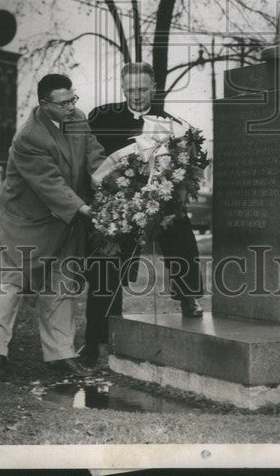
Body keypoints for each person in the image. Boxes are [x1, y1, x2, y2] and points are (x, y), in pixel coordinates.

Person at [0, 73, 105, 380]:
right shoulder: (29, 137)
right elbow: (49, 183)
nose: (70, 107)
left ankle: (60, 355)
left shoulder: (78, 119)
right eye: (63, 103)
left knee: (60, 285)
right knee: (13, 284)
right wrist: (84, 208)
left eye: (72, 99)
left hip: (66, 219)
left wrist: (109, 181)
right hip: (28, 222)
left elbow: (94, 154)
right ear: (45, 104)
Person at [80, 62, 204, 368]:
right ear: (123, 88)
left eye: (143, 89)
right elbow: (88, 160)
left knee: (179, 228)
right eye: (130, 89)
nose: (136, 95)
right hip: (117, 202)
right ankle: (94, 342)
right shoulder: (102, 117)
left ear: (154, 88)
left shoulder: (171, 123)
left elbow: (185, 165)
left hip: (156, 201)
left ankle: (187, 294)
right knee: (105, 263)